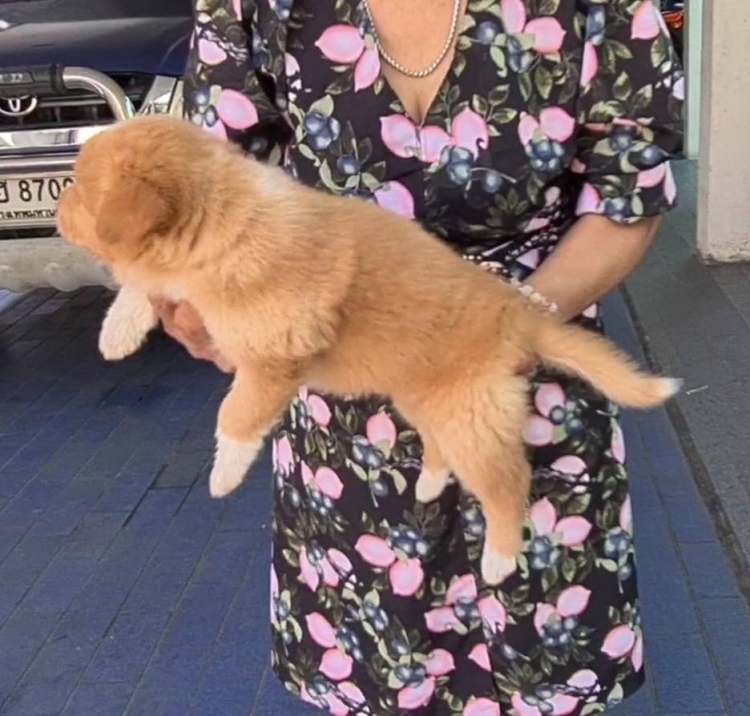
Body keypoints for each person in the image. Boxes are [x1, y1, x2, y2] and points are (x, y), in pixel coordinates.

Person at [154, 0, 683, 712]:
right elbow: (209, 174)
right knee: (371, 679)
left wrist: (507, 324)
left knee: (540, 675)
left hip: (526, 389)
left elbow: (629, 191)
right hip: (346, 432)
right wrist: (189, 296)